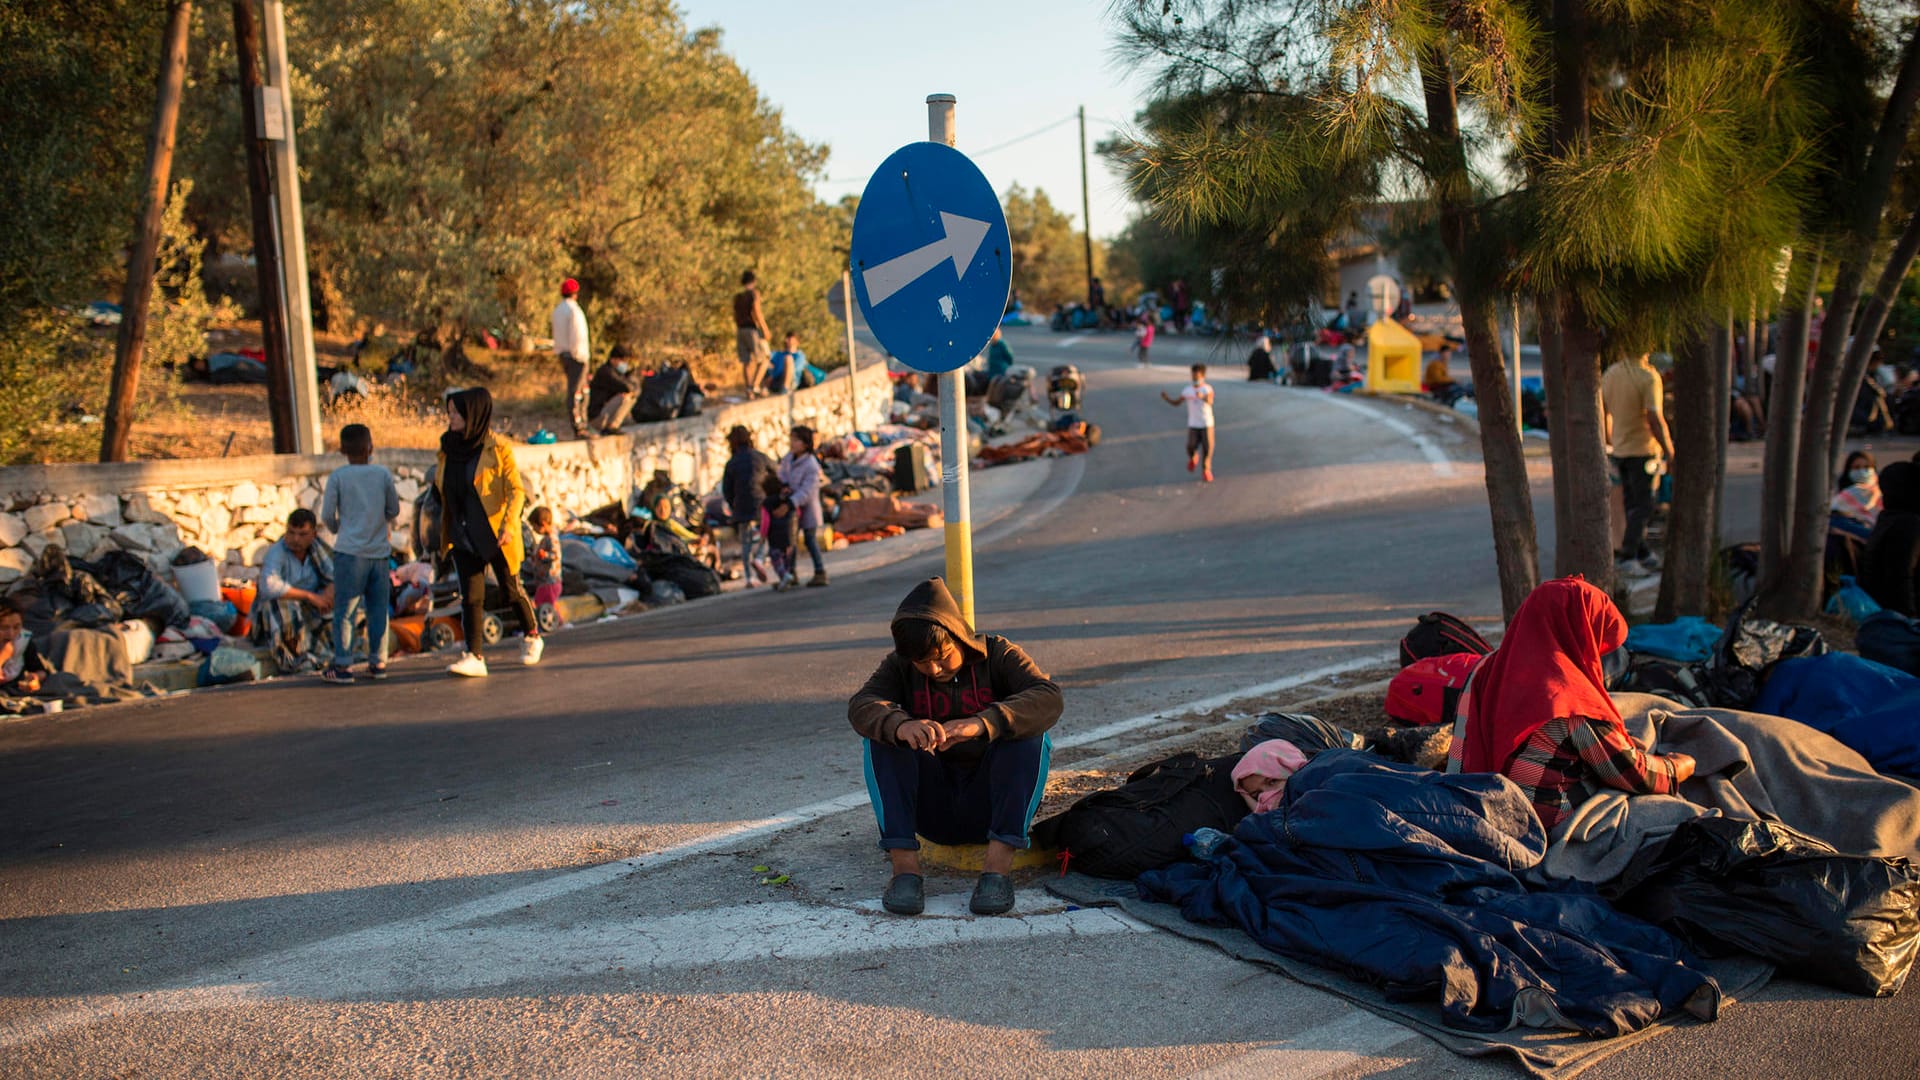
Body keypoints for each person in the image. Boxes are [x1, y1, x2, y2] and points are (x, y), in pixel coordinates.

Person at [849, 577, 1063, 916]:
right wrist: (902, 725)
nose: (933, 669)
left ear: (958, 636)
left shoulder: (997, 654)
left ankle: (996, 873)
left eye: (941, 657)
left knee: (1030, 735)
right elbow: (863, 705)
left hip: (992, 806)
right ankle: (905, 872)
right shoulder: (899, 666)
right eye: (923, 663)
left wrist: (983, 723)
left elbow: (1048, 697)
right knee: (881, 738)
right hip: (933, 809)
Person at [1448, 577, 1695, 830]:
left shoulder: (1485, 668)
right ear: (1580, 634)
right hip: (1539, 823)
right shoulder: (1569, 699)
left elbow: (1459, 749)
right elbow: (1637, 776)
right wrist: (1678, 766)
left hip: (1478, 806)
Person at [435, 387, 543, 678]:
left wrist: (509, 525)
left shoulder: (497, 449)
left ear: (474, 414)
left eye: (456, 412)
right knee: (471, 596)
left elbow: (516, 490)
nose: (451, 417)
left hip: (494, 533)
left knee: (510, 591)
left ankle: (532, 635)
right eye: (450, 412)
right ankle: (474, 655)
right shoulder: (447, 447)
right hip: (462, 533)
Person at [319, 423, 399, 684]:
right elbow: (394, 509)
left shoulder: (338, 477)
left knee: (346, 610)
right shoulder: (383, 474)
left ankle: (343, 665)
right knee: (378, 609)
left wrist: (341, 529)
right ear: (370, 447)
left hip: (349, 552)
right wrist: (379, 522)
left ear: (342, 449)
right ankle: (378, 661)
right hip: (379, 554)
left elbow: (327, 515)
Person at [1601, 352, 1673, 577]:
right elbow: (1654, 417)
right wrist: (1669, 449)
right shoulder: (1648, 376)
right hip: (1644, 450)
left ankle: (1641, 551)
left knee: (1631, 503)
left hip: (1621, 449)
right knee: (1644, 504)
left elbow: (1604, 411)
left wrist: (1610, 439)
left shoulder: (1611, 373)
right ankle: (1629, 554)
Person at [252, 508, 335, 674]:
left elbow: (336, 574)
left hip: (312, 610)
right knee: (279, 606)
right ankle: (296, 659)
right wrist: (309, 596)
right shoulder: (277, 552)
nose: (295, 539)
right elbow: (269, 586)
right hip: (283, 615)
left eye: (302, 534)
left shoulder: (318, 549)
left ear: (313, 534)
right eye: (291, 533)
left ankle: (340, 653)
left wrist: (328, 594)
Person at [1862, 461, 1920, 617]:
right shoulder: (1909, 523)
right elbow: (1901, 577)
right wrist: (1911, 619)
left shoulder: (1889, 516)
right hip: (1899, 618)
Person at [722, 425, 774, 586]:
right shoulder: (760, 457)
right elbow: (776, 473)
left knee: (745, 542)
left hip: (742, 507)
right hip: (762, 504)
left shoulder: (732, 463)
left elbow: (727, 489)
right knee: (766, 534)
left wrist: (734, 505)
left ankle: (749, 577)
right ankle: (759, 557)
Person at [777, 425, 828, 588]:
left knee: (810, 540)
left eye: (796, 440)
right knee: (790, 541)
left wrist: (792, 502)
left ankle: (820, 571)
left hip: (806, 509)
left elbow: (808, 490)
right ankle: (791, 573)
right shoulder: (788, 459)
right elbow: (782, 474)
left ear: (806, 443)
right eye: (791, 439)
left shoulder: (811, 464)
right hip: (792, 507)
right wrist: (783, 486)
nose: (792, 443)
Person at [1830, 451, 1882, 584]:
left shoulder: (1881, 494)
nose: (1862, 472)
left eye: (1866, 467)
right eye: (1857, 468)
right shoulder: (1846, 494)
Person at [1161, 363, 1216, 483]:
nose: (1195, 379)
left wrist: (1202, 397)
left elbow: (1210, 401)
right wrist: (1166, 398)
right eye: (1193, 376)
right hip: (1193, 424)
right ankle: (1193, 457)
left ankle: (1206, 470)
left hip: (1207, 423)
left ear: (1202, 376)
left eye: (1197, 376)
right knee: (1190, 446)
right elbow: (1177, 403)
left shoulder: (1207, 389)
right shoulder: (1187, 390)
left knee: (1207, 448)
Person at [552, 277, 592, 438]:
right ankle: (579, 426)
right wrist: (581, 356)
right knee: (578, 392)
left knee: (577, 390)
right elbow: (578, 336)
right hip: (577, 356)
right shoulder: (574, 311)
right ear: (575, 293)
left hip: (564, 354)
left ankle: (582, 424)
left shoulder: (558, 310)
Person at [733, 269, 773, 398]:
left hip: (740, 330)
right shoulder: (753, 294)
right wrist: (765, 329)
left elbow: (735, 315)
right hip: (751, 330)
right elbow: (757, 311)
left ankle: (748, 389)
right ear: (754, 281)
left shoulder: (738, 298)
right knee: (764, 358)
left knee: (746, 361)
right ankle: (755, 386)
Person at [0, 596, 49, 697]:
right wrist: (3, 656)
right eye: (4, 628)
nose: (11, 634)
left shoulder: (23, 641)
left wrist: (35, 679)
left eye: (16, 627)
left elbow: (40, 670)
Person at [586, 346, 641, 434]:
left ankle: (613, 426)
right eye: (623, 361)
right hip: (597, 416)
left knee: (631, 397)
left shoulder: (618, 373)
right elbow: (627, 387)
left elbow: (636, 389)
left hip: (605, 412)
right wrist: (630, 392)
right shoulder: (606, 372)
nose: (625, 364)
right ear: (613, 359)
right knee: (624, 398)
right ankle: (610, 426)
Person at [761, 475, 799, 592]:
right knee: (788, 557)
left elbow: (765, 520)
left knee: (776, 558)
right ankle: (788, 575)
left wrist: (763, 534)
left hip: (775, 536)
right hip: (790, 534)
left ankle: (784, 576)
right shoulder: (788, 500)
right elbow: (797, 513)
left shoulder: (766, 503)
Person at [528, 506, 565, 615]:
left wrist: (545, 555)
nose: (533, 529)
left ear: (543, 524)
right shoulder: (545, 539)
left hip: (550, 581)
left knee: (541, 604)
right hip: (545, 581)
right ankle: (558, 623)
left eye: (534, 526)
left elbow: (556, 555)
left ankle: (554, 622)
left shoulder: (552, 538)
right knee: (549, 604)